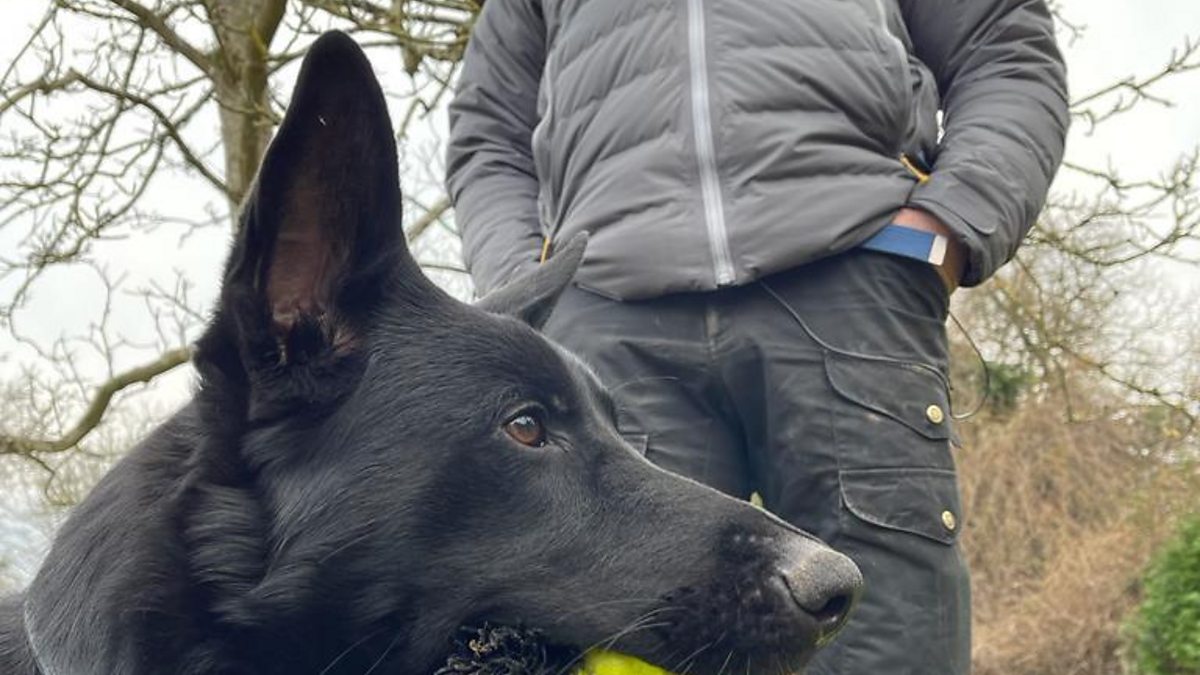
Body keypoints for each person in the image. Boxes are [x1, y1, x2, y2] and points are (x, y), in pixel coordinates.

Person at [445, 1, 1068, 673]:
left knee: (886, 637)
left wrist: (951, 225)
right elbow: (489, 132)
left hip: (851, 280)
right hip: (607, 318)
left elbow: (1004, 45)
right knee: (620, 651)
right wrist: (533, 294)